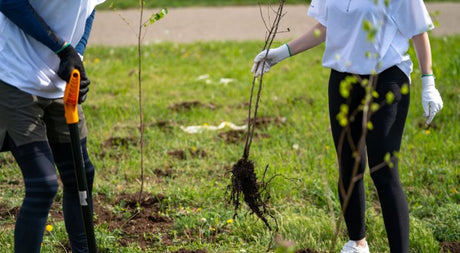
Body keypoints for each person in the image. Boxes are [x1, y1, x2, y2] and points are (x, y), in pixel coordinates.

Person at [252, 0, 443, 252]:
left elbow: (418, 31)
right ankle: (357, 243)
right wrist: (282, 52)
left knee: (383, 169)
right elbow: (325, 27)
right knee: (349, 163)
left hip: (386, 78)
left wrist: (428, 80)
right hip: (343, 79)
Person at [0, 0, 105, 252]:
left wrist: (76, 56)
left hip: (57, 80)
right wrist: (62, 49)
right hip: (12, 74)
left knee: (80, 175)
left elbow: (89, 10)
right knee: (42, 184)